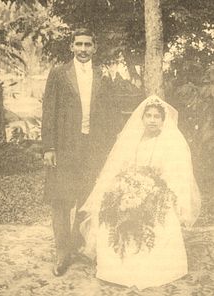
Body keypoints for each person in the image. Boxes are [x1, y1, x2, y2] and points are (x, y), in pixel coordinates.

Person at [80, 95, 201, 291]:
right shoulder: (131, 139)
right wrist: (122, 186)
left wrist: (152, 190)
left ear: (163, 120)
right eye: (149, 116)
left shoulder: (171, 142)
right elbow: (119, 167)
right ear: (142, 118)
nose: (152, 120)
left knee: (154, 213)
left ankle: (152, 268)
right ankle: (116, 268)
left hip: (159, 192)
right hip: (131, 187)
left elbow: (174, 177)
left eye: (157, 116)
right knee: (110, 208)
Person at [41, 28, 121, 276]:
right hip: (64, 148)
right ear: (71, 47)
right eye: (79, 44)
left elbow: (109, 113)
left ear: (94, 48)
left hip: (92, 148)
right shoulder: (59, 73)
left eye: (88, 45)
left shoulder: (101, 75)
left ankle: (77, 243)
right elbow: (49, 111)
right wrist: (49, 147)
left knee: (88, 199)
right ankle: (62, 252)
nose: (83, 49)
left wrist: (110, 147)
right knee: (61, 199)